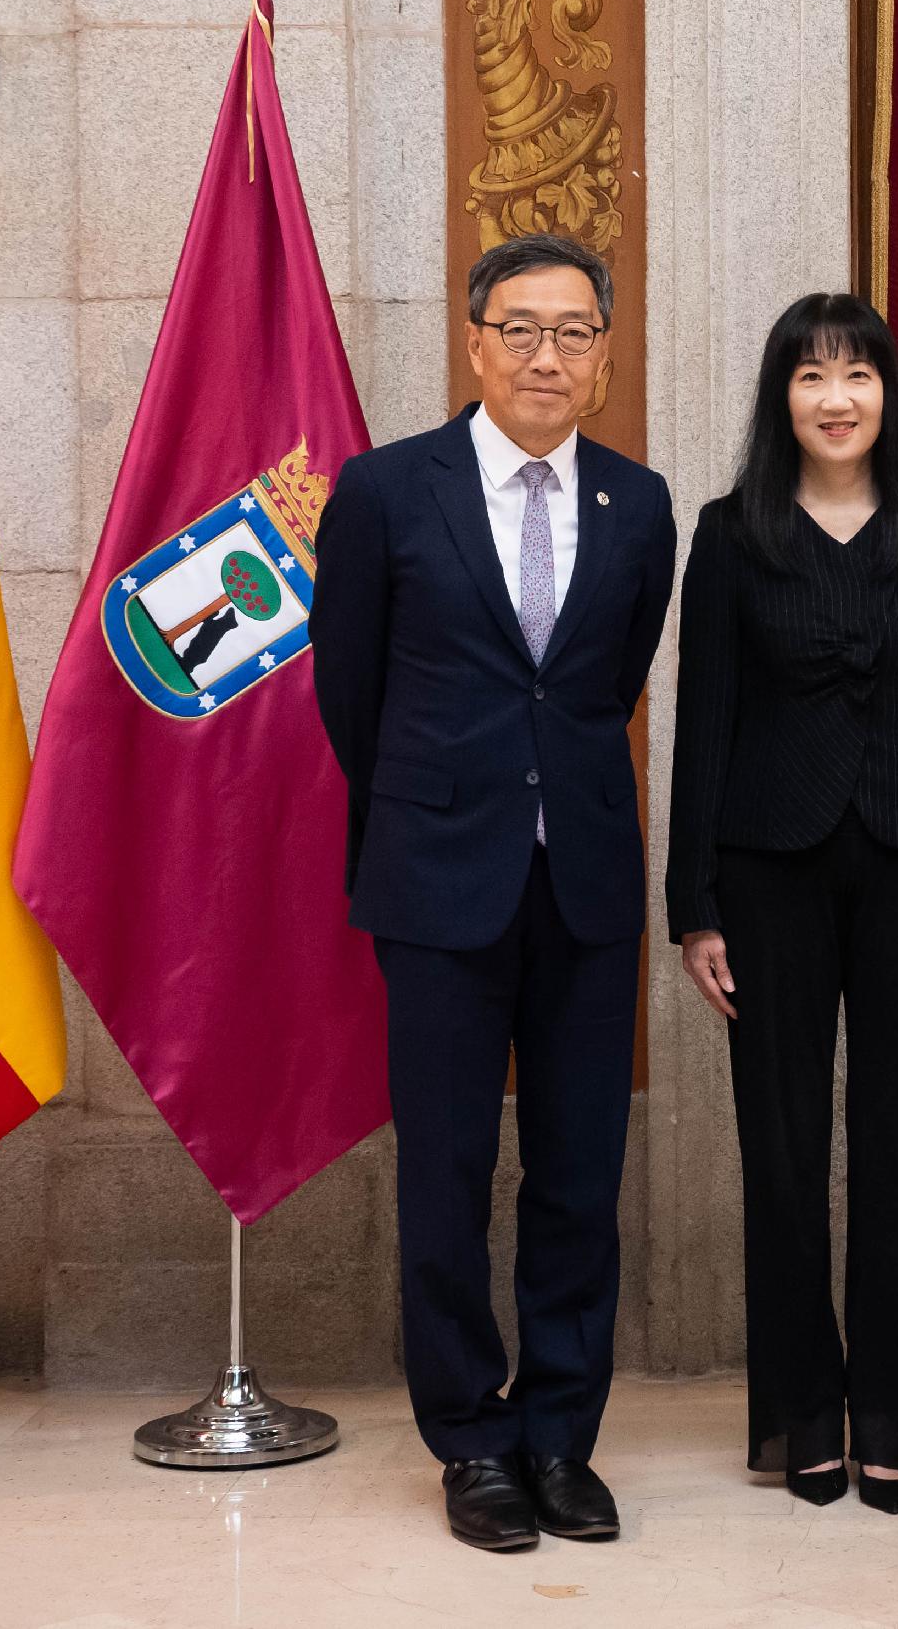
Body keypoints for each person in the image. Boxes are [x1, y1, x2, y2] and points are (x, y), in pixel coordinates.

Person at [310, 234, 679, 1556]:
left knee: (580, 1173)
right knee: (450, 1175)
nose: (545, 355)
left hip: (582, 886)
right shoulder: (384, 490)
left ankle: (559, 1434)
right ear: (474, 344)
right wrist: (445, 801)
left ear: (603, 354)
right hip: (439, 884)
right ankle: (470, 1436)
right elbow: (347, 691)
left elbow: (604, 685)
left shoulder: (639, 506)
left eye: (573, 332)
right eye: (519, 329)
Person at [668, 292, 898, 1512]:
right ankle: (803, 1412)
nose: (835, 396)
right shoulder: (730, 531)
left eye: (856, 374)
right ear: (783, 398)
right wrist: (693, 906)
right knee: (783, 1148)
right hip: (769, 868)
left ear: (887, 394)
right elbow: (702, 721)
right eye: (810, 376)